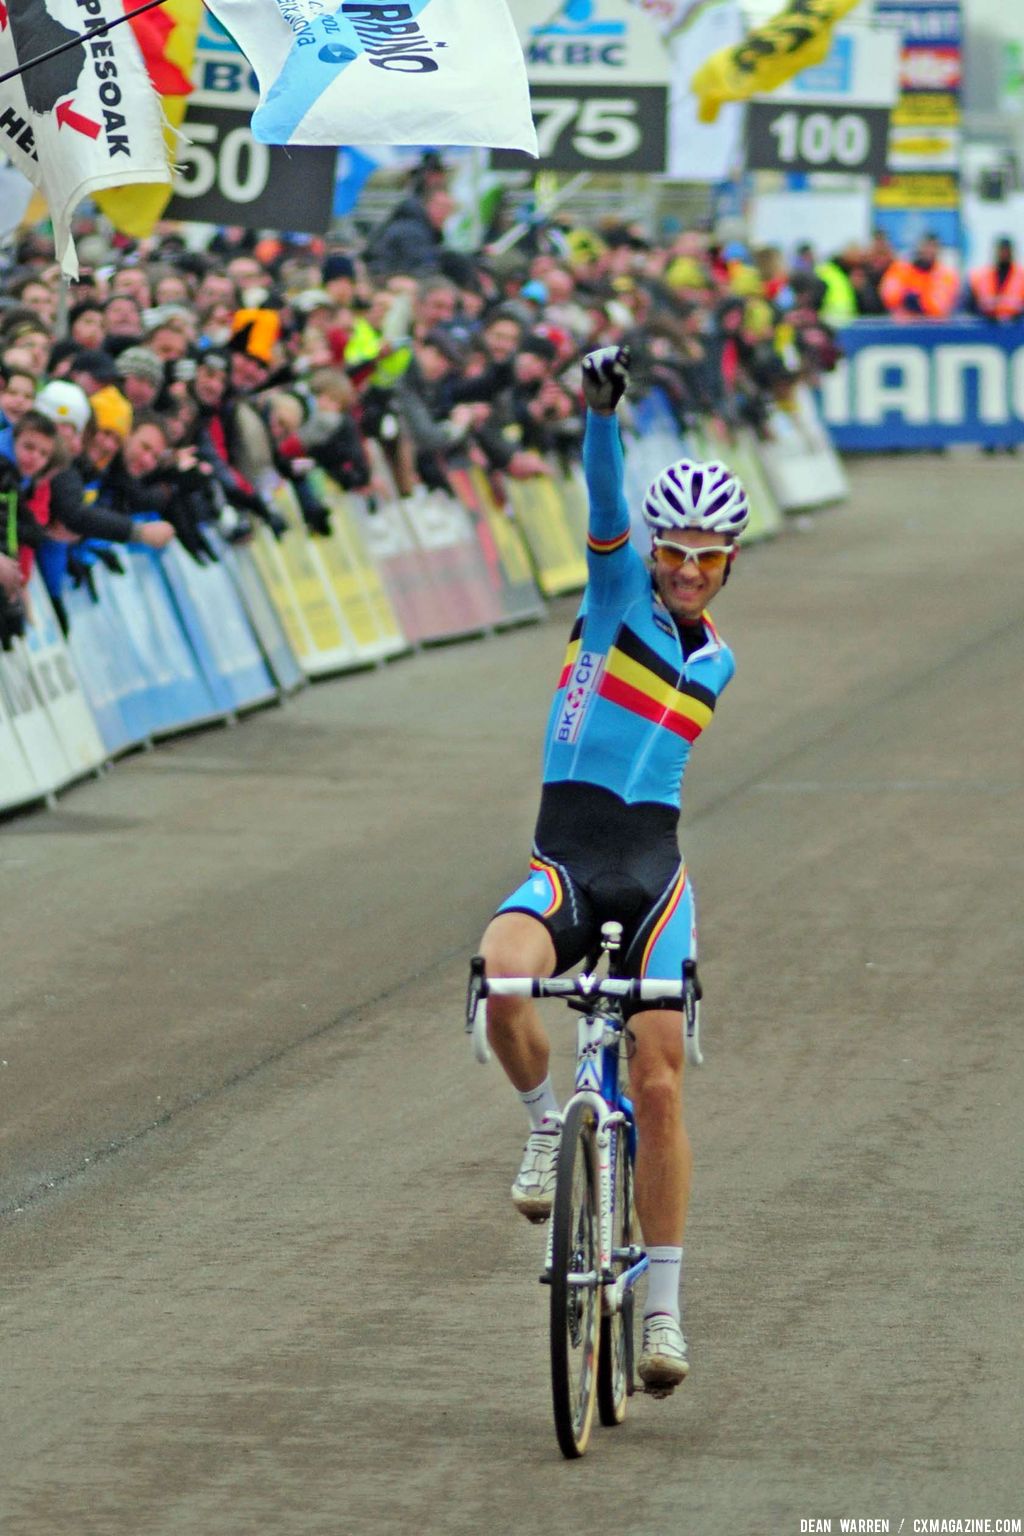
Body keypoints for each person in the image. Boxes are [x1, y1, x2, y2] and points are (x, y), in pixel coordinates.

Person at [476, 344, 750, 1394]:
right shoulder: (614, 591)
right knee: (502, 977)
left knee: (662, 1082)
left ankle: (665, 1316)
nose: (683, 570)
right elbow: (600, 495)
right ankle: (548, 1127)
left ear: (729, 563)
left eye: (704, 557)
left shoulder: (719, 658)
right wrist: (601, 412)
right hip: (567, 861)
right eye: (672, 551)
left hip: (654, 881)